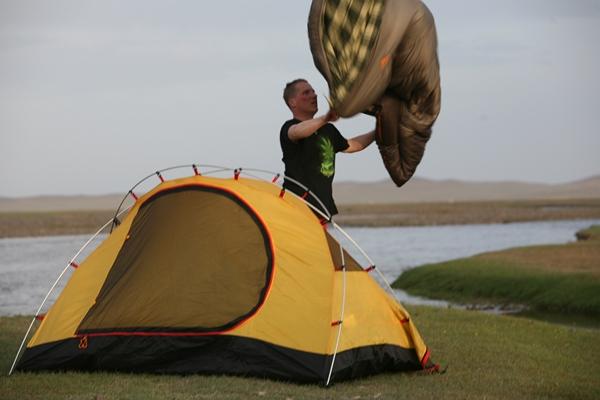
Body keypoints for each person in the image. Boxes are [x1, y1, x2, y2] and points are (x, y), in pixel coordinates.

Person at [280, 78, 375, 217]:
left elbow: (352, 145)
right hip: (297, 207)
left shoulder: (328, 129)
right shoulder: (289, 128)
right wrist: (324, 118)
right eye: (306, 93)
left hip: (322, 207)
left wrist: (377, 132)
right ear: (292, 102)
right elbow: (297, 131)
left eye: (313, 92)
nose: (314, 95)